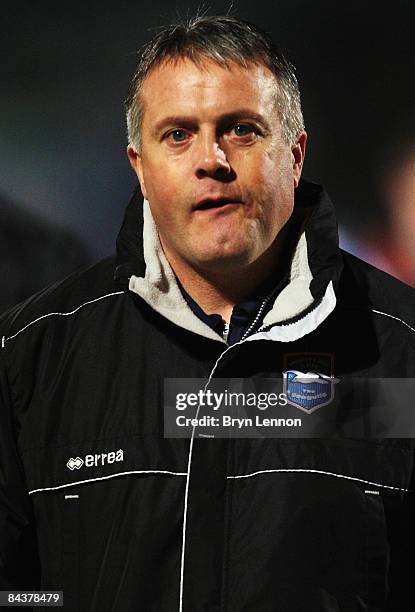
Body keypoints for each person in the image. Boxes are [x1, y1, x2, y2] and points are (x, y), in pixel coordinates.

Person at [1, 14, 414, 611]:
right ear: (138, 167)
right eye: (177, 135)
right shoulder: (32, 356)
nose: (212, 159)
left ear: (295, 155)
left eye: (242, 130)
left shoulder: (398, 347)